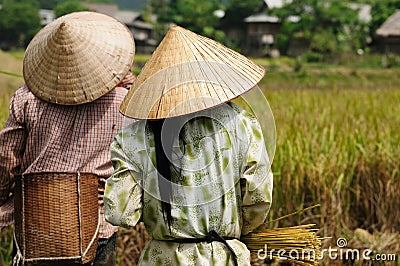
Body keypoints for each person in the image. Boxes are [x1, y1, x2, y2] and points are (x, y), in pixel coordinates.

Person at [104, 25, 273, 265]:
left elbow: (120, 213)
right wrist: (233, 230)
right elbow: (258, 196)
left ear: (159, 87)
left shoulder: (133, 137)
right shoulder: (243, 124)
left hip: (163, 258)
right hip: (223, 257)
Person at [0, 11, 135, 265]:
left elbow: (6, 159)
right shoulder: (124, 103)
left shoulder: (27, 99)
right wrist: (133, 85)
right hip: (96, 227)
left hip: (37, 221)